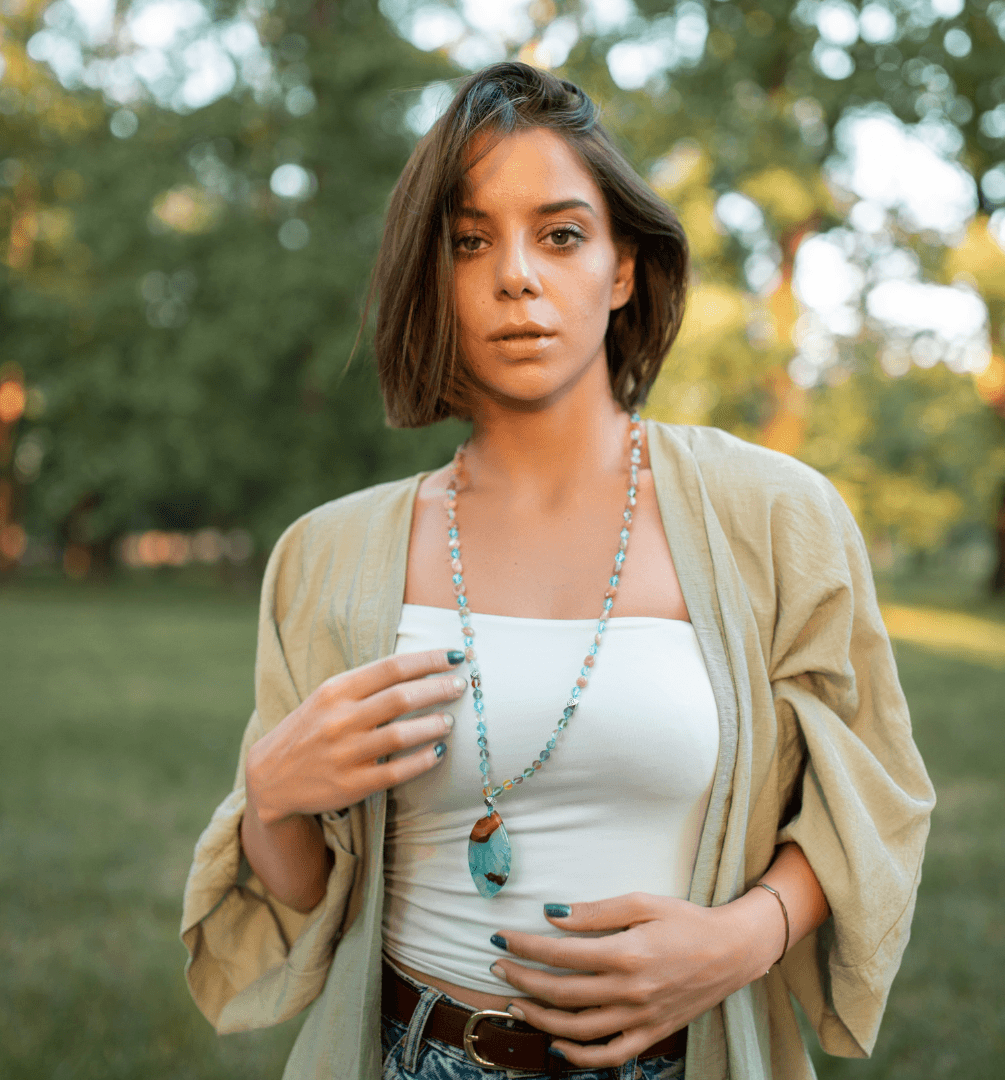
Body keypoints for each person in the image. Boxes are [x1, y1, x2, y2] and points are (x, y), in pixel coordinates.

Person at [181, 63, 935, 1080]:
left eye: (562, 234)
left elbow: (873, 793)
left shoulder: (774, 517)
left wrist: (746, 936)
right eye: (470, 240)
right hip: (408, 1053)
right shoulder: (329, 555)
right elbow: (307, 893)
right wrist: (270, 797)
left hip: (680, 1058)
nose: (516, 276)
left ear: (623, 268)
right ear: (433, 276)